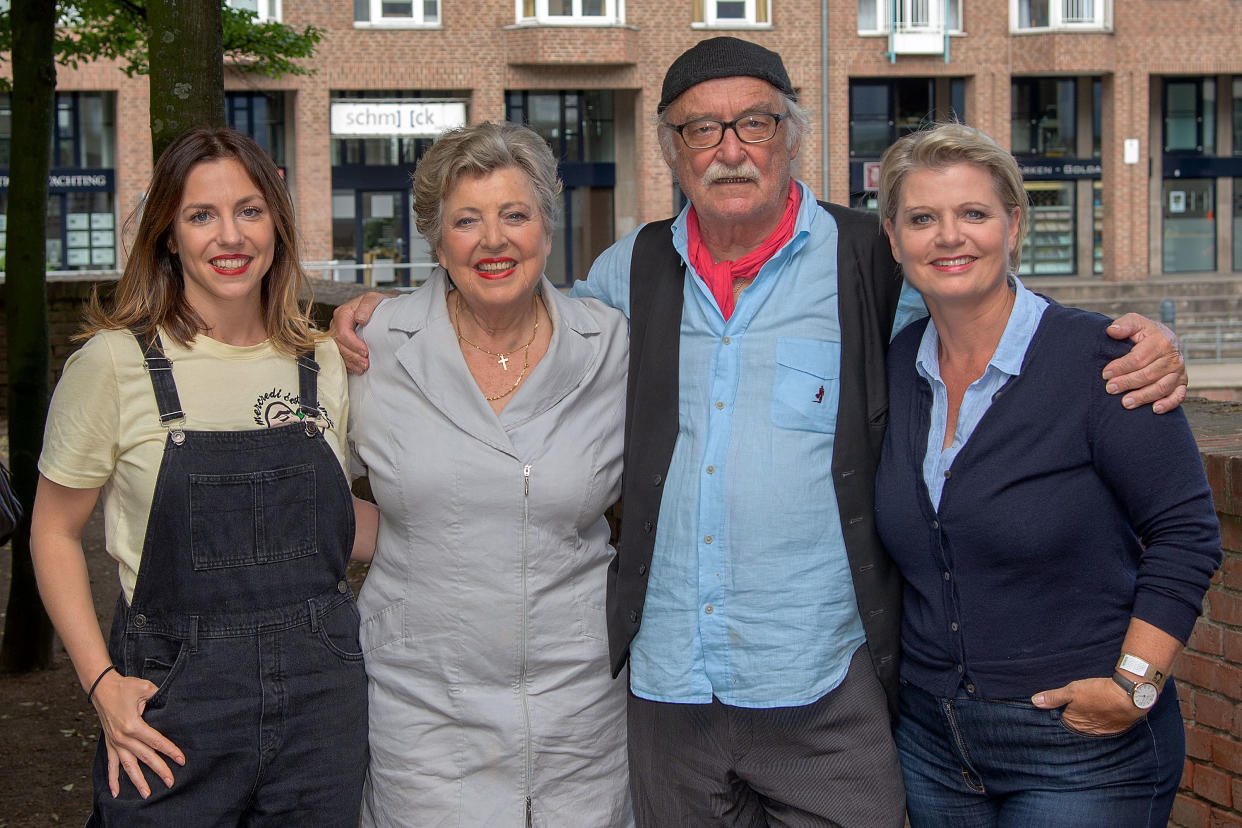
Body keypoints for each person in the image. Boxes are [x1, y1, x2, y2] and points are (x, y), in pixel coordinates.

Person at [333, 39, 1187, 827]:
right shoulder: (628, 273)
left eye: (754, 122)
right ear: (671, 150)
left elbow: (981, 297)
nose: (728, 148)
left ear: (792, 137)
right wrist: (385, 311)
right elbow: (516, 307)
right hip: (667, 685)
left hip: (822, 683)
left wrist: (1136, 335)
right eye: (700, 129)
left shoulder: (872, 259)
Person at [873, 122, 1221, 827]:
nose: (949, 236)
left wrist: (1136, 686)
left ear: (1014, 225)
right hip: (933, 745)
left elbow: (1186, 533)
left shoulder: (1103, 361)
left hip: (1082, 743)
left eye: (973, 213)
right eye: (922, 218)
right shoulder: (895, 367)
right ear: (893, 239)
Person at [30, 127, 375, 826]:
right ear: (168, 234)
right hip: (172, 704)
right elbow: (53, 532)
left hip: (322, 703)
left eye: (250, 211)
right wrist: (100, 683)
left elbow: (344, 523)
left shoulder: (325, 362)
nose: (231, 237)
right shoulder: (113, 363)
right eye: (201, 215)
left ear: (276, 223)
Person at [346, 121, 632, 826]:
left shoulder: (613, 346)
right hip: (423, 715)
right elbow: (312, 499)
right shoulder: (372, 349)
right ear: (436, 240)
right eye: (466, 220)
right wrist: (422, 552)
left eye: (515, 215)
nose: (494, 240)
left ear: (546, 227)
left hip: (582, 715)